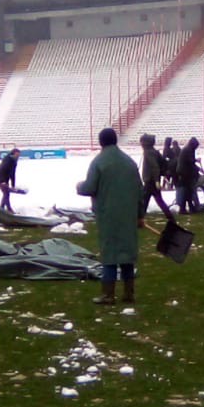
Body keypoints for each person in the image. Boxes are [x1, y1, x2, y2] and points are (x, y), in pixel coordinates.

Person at [76, 128, 143, 305]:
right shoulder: (129, 162)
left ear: (101, 142)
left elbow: (89, 187)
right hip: (128, 216)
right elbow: (140, 191)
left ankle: (108, 294)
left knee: (110, 255)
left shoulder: (99, 162)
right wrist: (140, 215)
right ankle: (129, 293)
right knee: (127, 255)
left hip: (108, 215)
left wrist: (79, 186)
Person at [139, 133, 174, 218]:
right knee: (151, 200)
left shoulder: (149, 152)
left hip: (150, 181)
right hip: (152, 181)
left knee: (148, 200)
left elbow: (154, 166)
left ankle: (139, 218)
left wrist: (156, 181)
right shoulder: (153, 151)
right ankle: (169, 217)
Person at [175, 136, 202, 214]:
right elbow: (190, 162)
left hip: (184, 172)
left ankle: (189, 207)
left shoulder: (187, 149)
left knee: (187, 191)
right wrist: (198, 168)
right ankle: (187, 208)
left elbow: (190, 161)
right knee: (188, 191)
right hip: (185, 173)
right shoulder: (188, 150)